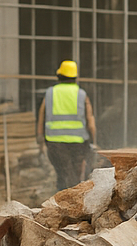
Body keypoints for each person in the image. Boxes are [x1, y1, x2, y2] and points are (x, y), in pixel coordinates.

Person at [36, 59, 97, 192]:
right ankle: (71, 202)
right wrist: (93, 141)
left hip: (55, 144)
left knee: (63, 174)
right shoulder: (81, 94)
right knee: (74, 176)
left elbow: (41, 118)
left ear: (59, 76)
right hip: (78, 144)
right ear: (75, 77)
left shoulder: (50, 93)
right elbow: (90, 121)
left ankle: (63, 201)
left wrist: (40, 140)